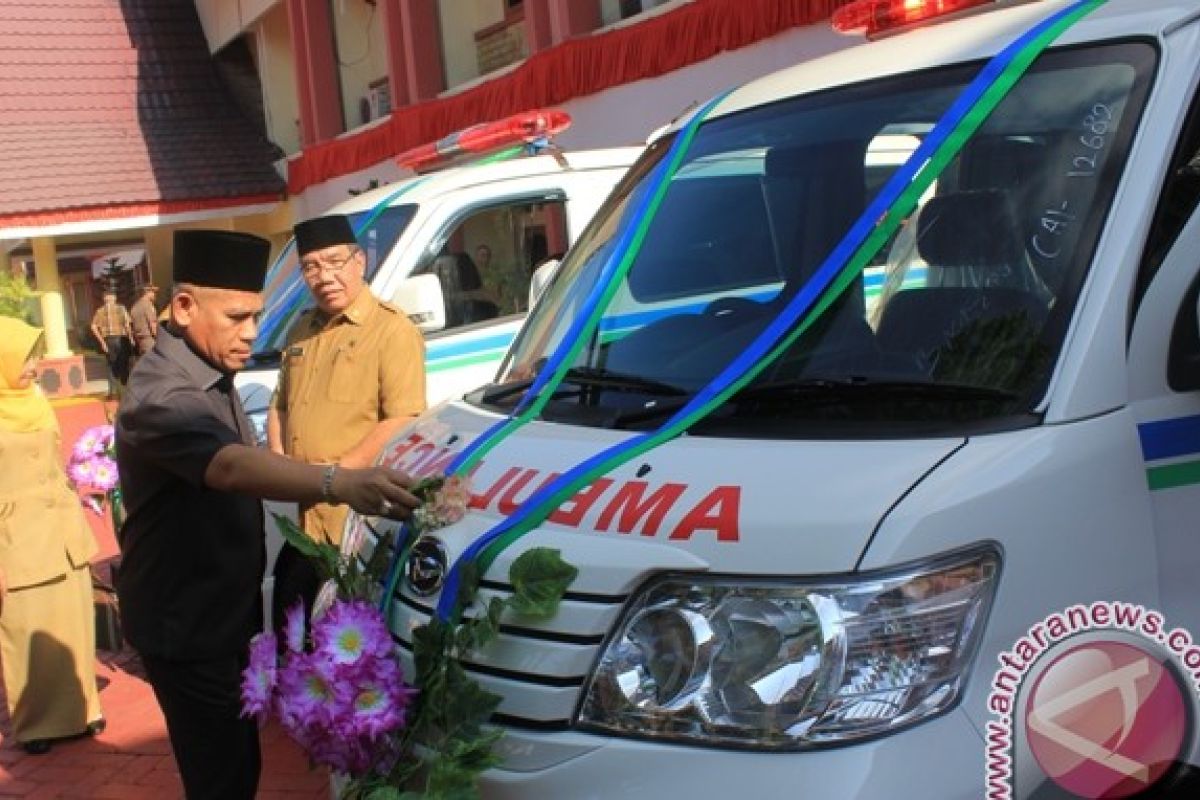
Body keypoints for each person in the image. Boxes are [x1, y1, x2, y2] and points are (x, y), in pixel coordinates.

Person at [115, 229, 421, 800]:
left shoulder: (208, 370)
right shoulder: (162, 393)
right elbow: (230, 467)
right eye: (236, 317)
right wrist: (339, 481)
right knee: (222, 778)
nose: (251, 334)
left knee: (237, 766)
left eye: (256, 316)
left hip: (220, 611)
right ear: (183, 306)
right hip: (186, 620)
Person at [267, 214, 427, 634]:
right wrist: (283, 466)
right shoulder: (301, 330)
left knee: (347, 644)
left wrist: (334, 477)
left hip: (354, 523)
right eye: (311, 266)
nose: (325, 276)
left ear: (360, 261)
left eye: (335, 261)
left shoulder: (391, 330)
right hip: (305, 519)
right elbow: (279, 404)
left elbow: (403, 417)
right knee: (293, 639)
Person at [0, 317, 105, 755]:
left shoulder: (37, 400)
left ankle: (83, 710)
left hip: (62, 529)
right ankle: (36, 723)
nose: (32, 365)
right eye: (23, 357)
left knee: (73, 622)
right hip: (19, 534)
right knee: (28, 629)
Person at [89, 288, 133, 389]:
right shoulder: (121, 308)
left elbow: (93, 327)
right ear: (114, 298)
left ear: (104, 298)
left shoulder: (99, 311)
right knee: (123, 363)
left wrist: (102, 342)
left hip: (108, 340)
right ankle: (125, 388)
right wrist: (131, 338)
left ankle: (113, 391)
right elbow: (127, 325)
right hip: (122, 339)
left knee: (111, 365)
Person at [129, 283, 159, 356]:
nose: (155, 294)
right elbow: (153, 324)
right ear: (147, 292)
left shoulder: (135, 307)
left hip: (140, 342)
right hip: (150, 340)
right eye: (153, 292)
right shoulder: (148, 305)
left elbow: (131, 325)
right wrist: (159, 338)